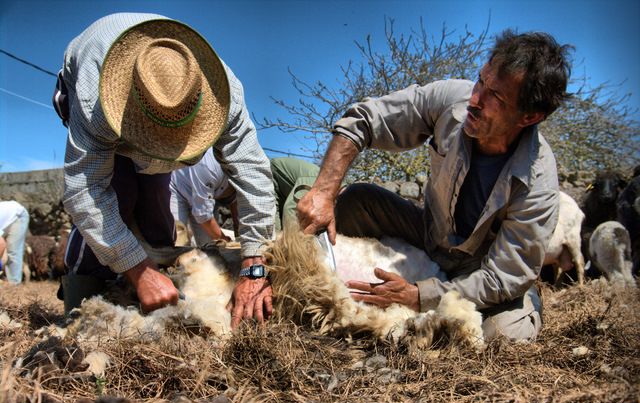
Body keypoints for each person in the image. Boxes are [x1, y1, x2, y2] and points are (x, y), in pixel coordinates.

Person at [297, 30, 572, 341]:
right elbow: (366, 119)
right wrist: (323, 190)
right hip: (430, 234)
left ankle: (525, 307)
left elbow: (503, 277)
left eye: (496, 97)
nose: (476, 99)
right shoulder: (454, 100)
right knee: (356, 201)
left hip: (478, 270)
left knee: (503, 337)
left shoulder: (538, 180)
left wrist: (420, 295)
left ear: (529, 116)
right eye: (481, 80)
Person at [54, 13, 275, 327]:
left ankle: (159, 284)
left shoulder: (226, 96)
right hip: (93, 87)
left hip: (156, 107)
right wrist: (140, 271)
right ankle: (85, 294)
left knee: (157, 205)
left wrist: (254, 265)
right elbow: (84, 190)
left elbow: (253, 172)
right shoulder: (95, 100)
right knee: (120, 192)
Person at [170, 155, 319, 245]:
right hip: (179, 189)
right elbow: (203, 216)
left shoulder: (242, 175)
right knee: (177, 238)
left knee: (208, 246)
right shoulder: (208, 168)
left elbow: (237, 204)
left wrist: (240, 235)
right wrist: (225, 240)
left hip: (208, 194)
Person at [0, 201, 30, 285]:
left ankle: (14, 284)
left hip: (18, 216)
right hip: (6, 218)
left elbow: (1, 243)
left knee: (13, 250)